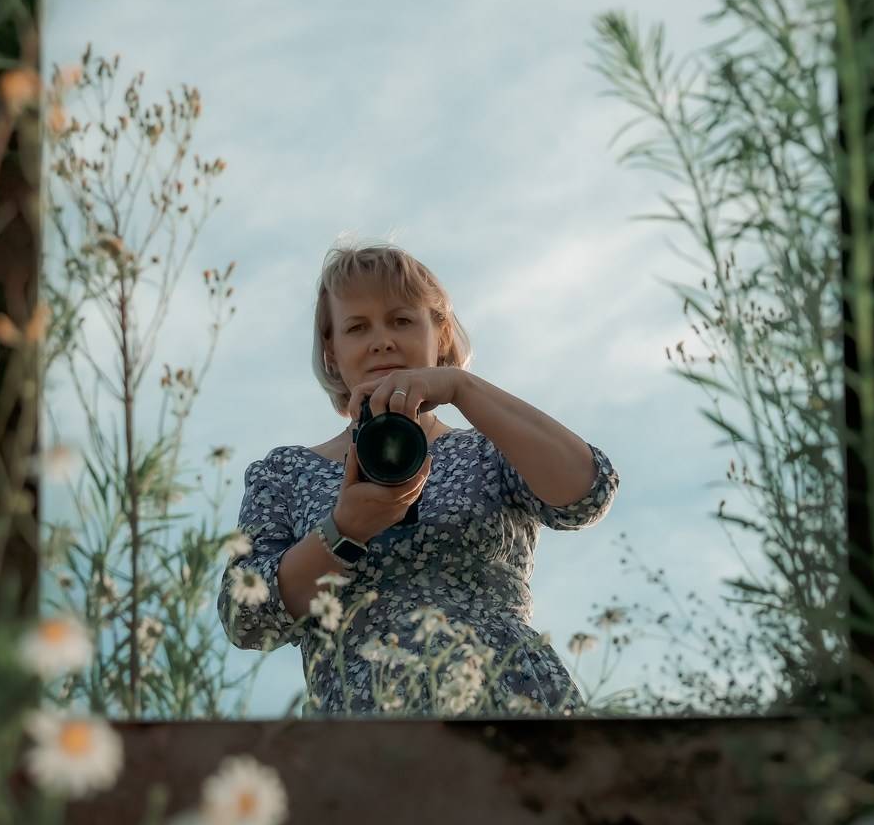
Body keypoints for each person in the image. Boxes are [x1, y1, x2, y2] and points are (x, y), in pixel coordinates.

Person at [218, 241, 619, 716]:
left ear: (441, 333)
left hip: (511, 708)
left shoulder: (489, 449)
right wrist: (344, 530)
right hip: (366, 729)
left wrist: (461, 387)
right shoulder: (286, 473)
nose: (382, 340)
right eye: (357, 327)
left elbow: (587, 493)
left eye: (402, 320)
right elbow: (247, 618)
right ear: (331, 351)